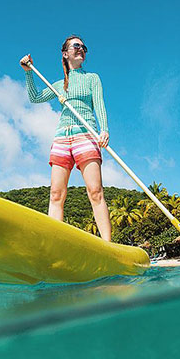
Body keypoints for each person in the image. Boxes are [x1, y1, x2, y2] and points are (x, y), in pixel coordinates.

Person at [19, 35, 112, 241]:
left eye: (83, 47)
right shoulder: (59, 85)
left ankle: (108, 245)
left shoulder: (92, 78)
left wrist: (104, 129)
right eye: (76, 46)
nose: (81, 49)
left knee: (95, 191)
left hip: (86, 135)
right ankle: (55, 243)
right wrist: (28, 73)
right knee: (56, 195)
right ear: (65, 53)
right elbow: (35, 97)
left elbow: (100, 105)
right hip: (62, 138)